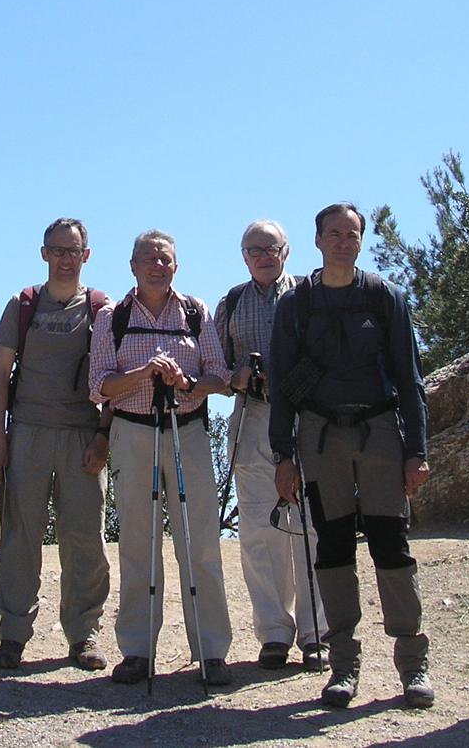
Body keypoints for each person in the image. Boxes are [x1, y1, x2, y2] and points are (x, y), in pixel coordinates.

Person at [269, 203, 432, 710]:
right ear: (317, 240)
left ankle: (413, 663)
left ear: (362, 240)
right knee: (334, 548)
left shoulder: (385, 298)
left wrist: (417, 452)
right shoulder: (294, 305)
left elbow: (410, 379)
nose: (343, 241)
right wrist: (282, 455)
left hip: (380, 432)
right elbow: (281, 388)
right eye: (334, 233)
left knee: (391, 545)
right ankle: (343, 666)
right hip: (319, 438)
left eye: (352, 233)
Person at [90, 230, 235, 687]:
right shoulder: (112, 317)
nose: (157, 265)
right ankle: (136, 651)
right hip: (132, 433)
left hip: (187, 431)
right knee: (137, 543)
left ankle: (211, 652)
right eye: (148, 258)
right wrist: (144, 373)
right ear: (132, 265)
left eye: (165, 259)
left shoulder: (195, 312)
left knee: (200, 543)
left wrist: (186, 384)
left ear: (176, 265)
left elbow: (221, 377)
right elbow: (99, 385)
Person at [0, 218, 112, 671]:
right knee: (20, 537)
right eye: (57, 250)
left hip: (81, 435)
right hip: (28, 434)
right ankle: (13, 635)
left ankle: (84, 635)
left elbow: (112, 381)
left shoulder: (102, 309)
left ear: (86, 255)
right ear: (44, 254)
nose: (65, 258)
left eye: (73, 250)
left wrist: (103, 439)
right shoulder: (22, 306)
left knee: (84, 539)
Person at [216, 220, 326, 672]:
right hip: (253, 416)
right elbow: (215, 366)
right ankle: (274, 632)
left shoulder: (309, 295)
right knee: (259, 528)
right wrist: (237, 376)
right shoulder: (232, 302)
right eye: (253, 248)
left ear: (286, 250)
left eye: (270, 247)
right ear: (243, 256)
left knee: (312, 525)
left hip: (308, 416)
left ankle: (316, 633)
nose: (262, 254)